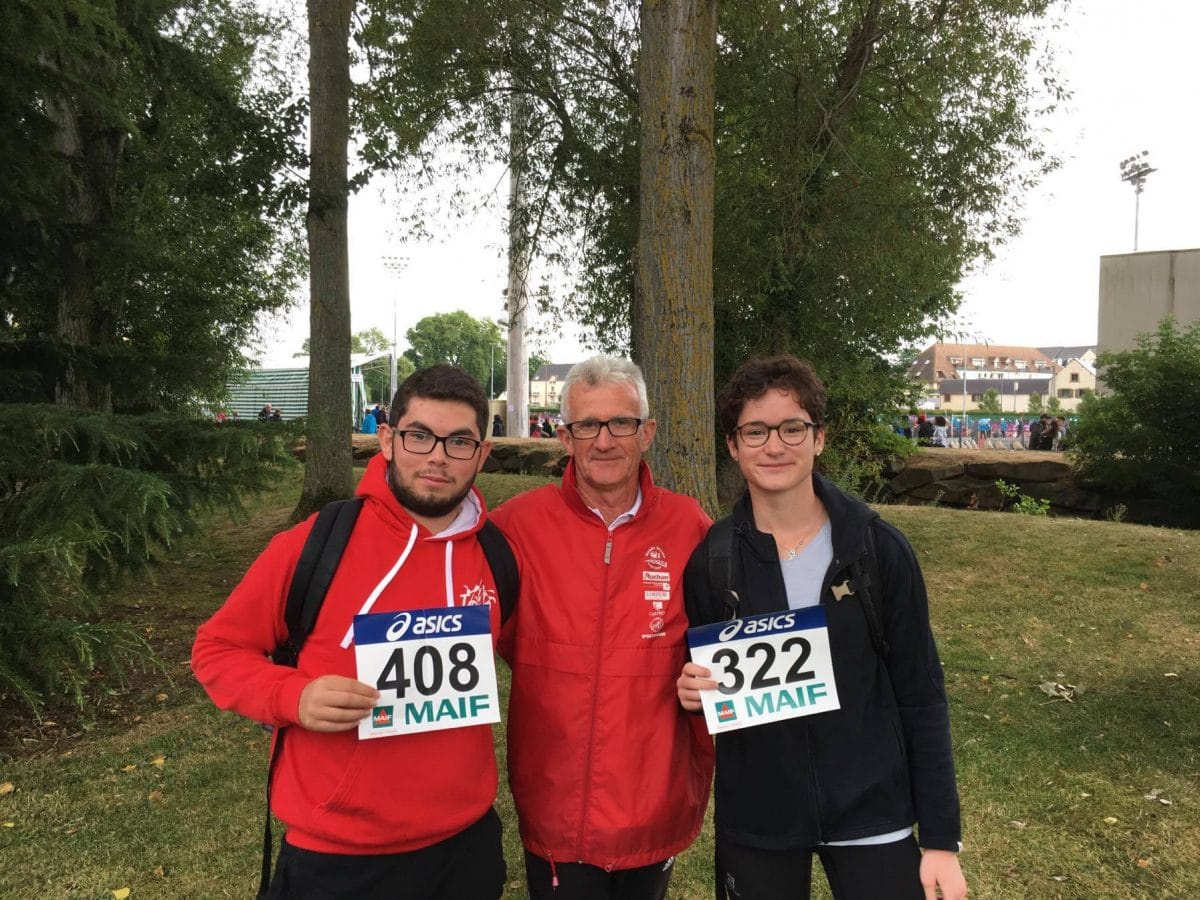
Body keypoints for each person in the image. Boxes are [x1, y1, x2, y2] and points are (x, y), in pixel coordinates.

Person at [192, 365, 509, 900]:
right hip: (339, 856)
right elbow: (216, 649)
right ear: (387, 440)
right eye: (419, 435)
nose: (437, 455)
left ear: (482, 454)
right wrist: (292, 694)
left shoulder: (498, 557)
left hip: (465, 847)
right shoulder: (315, 543)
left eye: (459, 441)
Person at [677, 355, 966, 900]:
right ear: (733, 445)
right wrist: (690, 689)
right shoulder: (712, 561)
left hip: (873, 812)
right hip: (760, 819)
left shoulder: (877, 550)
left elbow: (922, 697)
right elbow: (704, 683)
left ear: (819, 438)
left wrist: (942, 840)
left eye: (793, 428)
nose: (775, 446)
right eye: (755, 431)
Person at [491, 355, 715, 900]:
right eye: (587, 425)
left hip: (653, 800)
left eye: (621, 423)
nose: (605, 440)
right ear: (564, 437)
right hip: (555, 805)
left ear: (648, 433)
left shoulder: (691, 527)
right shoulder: (513, 528)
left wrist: (709, 683)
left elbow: (726, 647)